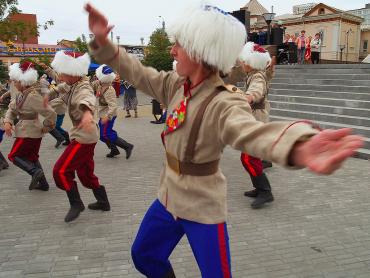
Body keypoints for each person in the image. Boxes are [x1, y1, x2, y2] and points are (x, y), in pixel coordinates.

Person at [86, 2, 363, 277]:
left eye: (178, 44)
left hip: (203, 205)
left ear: (199, 49)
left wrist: (298, 145)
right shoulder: (174, 85)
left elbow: (250, 131)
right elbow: (137, 72)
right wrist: (104, 43)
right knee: (143, 255)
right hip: (168, 197)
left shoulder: (225, 100)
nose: (172, 51)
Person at [50, 50, 111, 223]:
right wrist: (47, 96)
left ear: (73, 72)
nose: (60, 76)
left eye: (62, 72)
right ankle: (103, 201)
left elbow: (87, 98)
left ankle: (76, 203)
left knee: (60, 171)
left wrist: (86, 113)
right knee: (85, 173)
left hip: (84, 136)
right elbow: (60, 88)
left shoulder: (83, 86)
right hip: (84, 134)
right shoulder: (72, 84)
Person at [3, 61, 56, 191]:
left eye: (16, 81)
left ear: (23, 81)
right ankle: (43, 184)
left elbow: (51, 113)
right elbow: (12, 109)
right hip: (29, 131)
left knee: (14, 156)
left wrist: (47, 127)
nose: (14, 83)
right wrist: (8, 121)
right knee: (32, 157)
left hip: (29, 132)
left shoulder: (32, 96)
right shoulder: (22, 94)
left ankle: (34, 172)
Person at [237, 42, 275, 208]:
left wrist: (249, 97)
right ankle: (260, 188)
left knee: (248, 158)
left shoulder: (257, 77)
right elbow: (266, 76)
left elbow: (257, 89)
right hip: (254, 120)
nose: (241, 63)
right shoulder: (256, 73)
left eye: (244, 61)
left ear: (251, 62)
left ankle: (266, 191)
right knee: (249, 158)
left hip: (256, 121)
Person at [92, 64, 134, 158]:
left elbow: (113, 106)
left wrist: (108, 117)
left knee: (106, 134)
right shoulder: (99, 84)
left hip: (109, 114)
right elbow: (90, 85)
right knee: (102, 135)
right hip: (103, 113)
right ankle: (114, 150)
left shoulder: (109, 90)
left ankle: (127, 146)